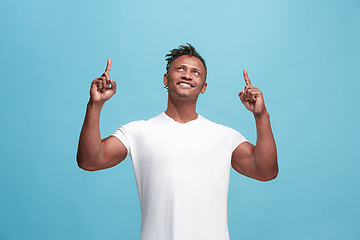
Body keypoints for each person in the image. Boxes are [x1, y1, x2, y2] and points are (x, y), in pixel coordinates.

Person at [77, 43, 278, 240]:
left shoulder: (224, 136)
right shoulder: (138, 132)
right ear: (166, 78)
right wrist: (95, 105)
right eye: (180, 69)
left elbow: (266, 171)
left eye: (196, 72)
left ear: (204, 87)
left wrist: (261, 116)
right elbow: (90, 160)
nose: (187, 75)